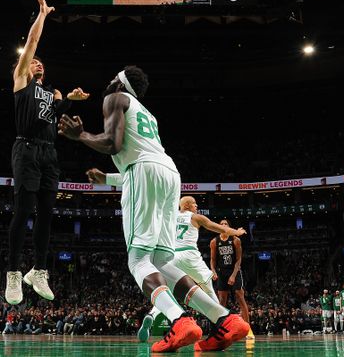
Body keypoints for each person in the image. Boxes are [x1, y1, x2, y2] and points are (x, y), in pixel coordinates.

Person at [58, 67, 249, 352]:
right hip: (170, 174)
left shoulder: (115, 98)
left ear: (119, 83)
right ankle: (224, 318)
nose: (107, 82)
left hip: (144, 172)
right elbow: (144, 161)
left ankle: (178, 320)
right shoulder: (147, 113)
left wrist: (81, 135)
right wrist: (108, 179)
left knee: (138, 262)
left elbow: (114, 144)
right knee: (161, 261)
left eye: (112, 78)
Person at [5, 0, 89, 305]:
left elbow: (56, 116)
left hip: (48, 153)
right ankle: (13, 272)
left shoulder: (51, 93)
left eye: (41, 62)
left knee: (47, 214)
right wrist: (42, 15)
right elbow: (32, 44)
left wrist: (71, 99)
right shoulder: (21, 81)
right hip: (25, 150)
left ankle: (38, 270)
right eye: (34, 61)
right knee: (24, 211)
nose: (38, 62)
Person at [136, 196, 247, 342]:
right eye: (195, 204)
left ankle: (151, 315)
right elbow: (217, 227)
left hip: (172, 255)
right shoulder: (195, 217)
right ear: (187, 205)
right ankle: (221, 321)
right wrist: (236, 232)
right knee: (207, 288)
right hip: (190, 254)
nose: (197, 206)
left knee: (169, 292)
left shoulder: (170, 216)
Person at [210, 219, 253, 338]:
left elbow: (239, 259)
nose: (223, 225)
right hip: (221, 272)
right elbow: (213, 260)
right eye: (221, 224)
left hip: (234, 270)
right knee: (222, 301)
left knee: (240, 296)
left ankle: (248, 329)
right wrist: (213, 271)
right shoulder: (214, 241)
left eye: (226, 224)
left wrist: (233, 275)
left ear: (229, 227)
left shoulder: (235, 240)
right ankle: (220, 329)